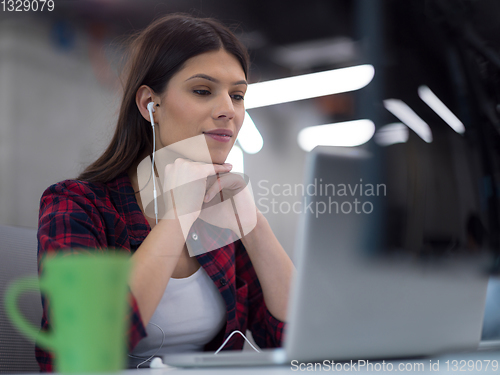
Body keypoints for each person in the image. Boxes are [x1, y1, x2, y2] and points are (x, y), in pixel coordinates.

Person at [36, 14, 294, 371]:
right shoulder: (76, 204)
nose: (228, 111)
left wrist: (255, 226)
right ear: (149, 105)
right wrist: (177, 218)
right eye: (203, 91)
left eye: (237, 95)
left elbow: (292, 341)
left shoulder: (221, 220)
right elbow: (85, 346)